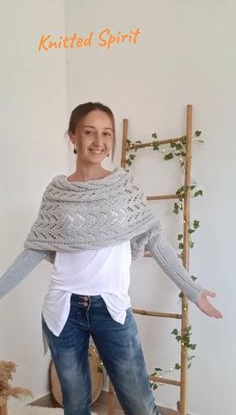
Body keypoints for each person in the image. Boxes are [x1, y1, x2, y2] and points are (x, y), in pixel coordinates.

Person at [0, 102, 222, 415]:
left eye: (106, 133)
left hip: (112, 307)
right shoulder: (57, 192)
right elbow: (35, 249)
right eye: (89, 132)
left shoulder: (124, 186)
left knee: (140, 405)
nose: (98, 141)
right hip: (64, 309)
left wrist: (192, 289)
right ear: (72, 136)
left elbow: (155, 239)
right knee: (75, 404)